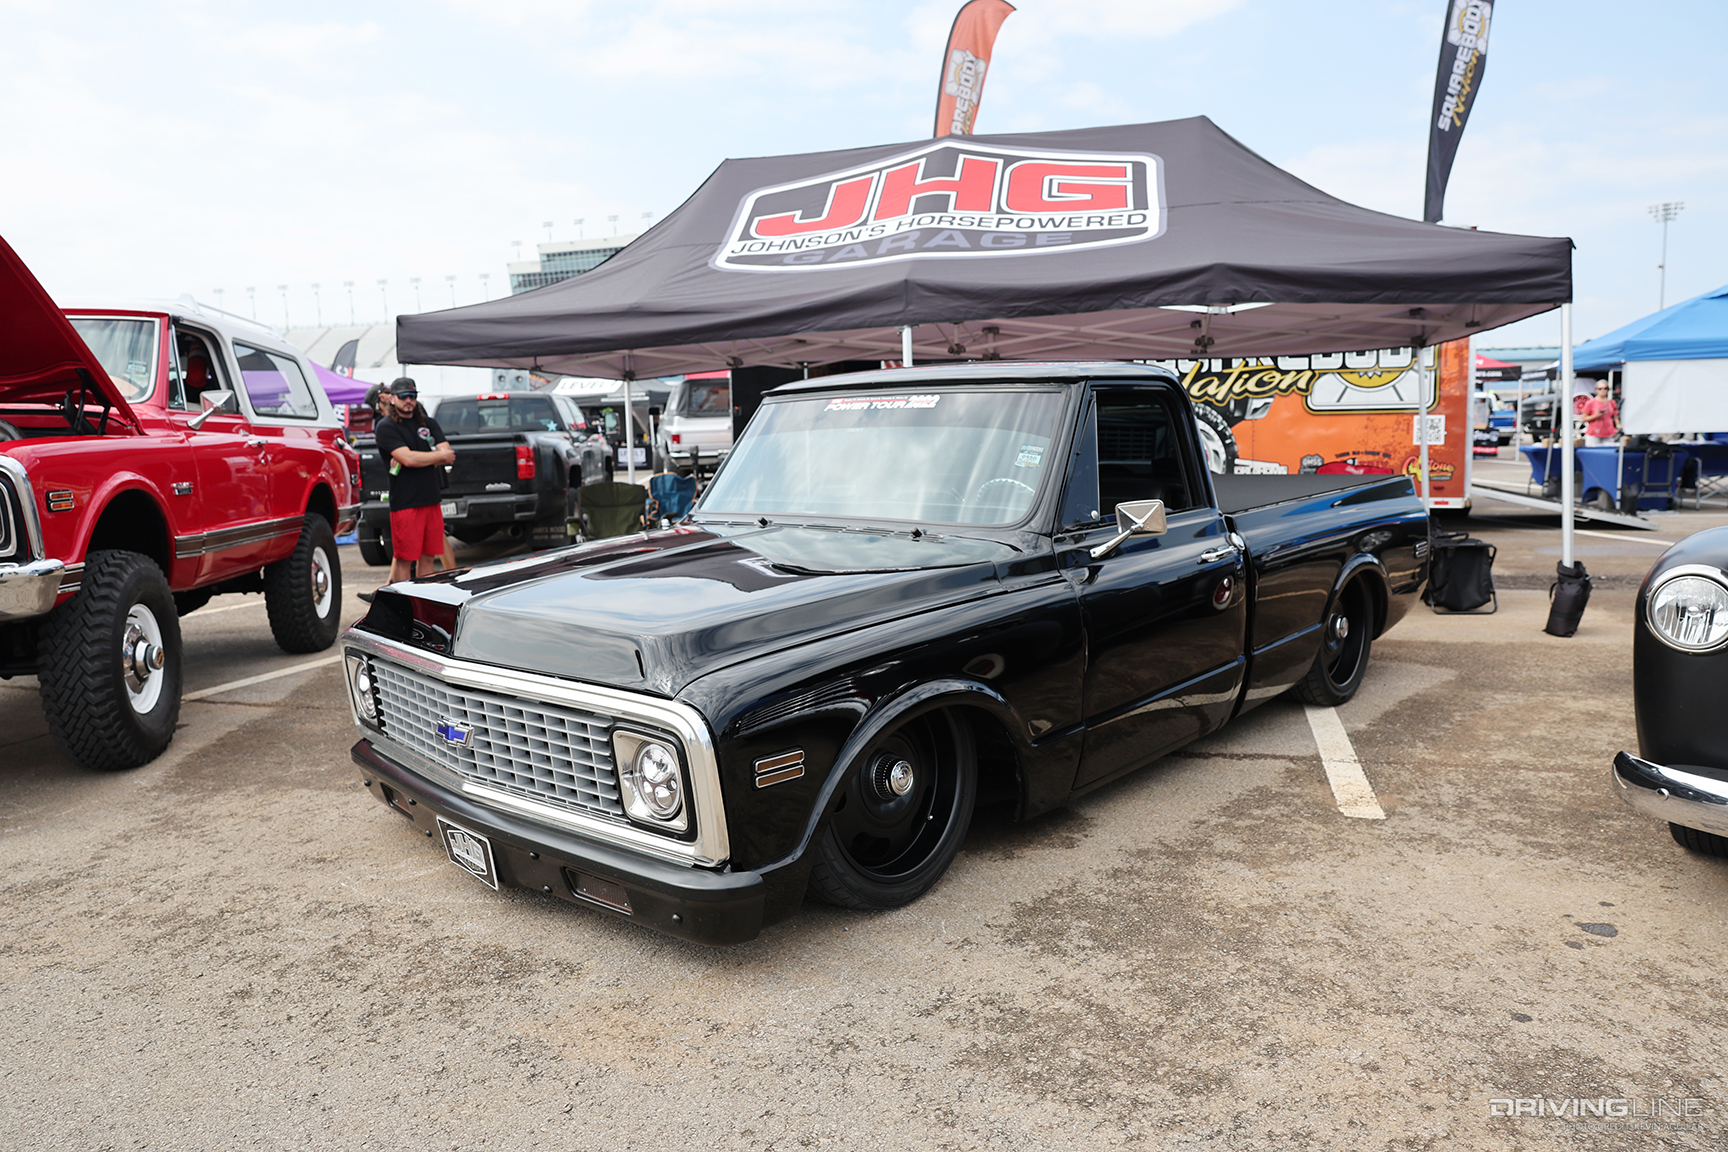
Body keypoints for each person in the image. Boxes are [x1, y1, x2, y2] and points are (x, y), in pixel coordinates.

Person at [374, 378, 455, 582]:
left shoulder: (428, 423)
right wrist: (436, 456)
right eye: (403, 396)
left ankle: (423, 602)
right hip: (406, 502)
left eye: (412, 396)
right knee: (405, 559)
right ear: (392, 399)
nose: (408, 400)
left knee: (429, 556)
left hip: (431, 499)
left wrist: (419, 457)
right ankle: (404, 605)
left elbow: (448, 453)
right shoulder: (386, 427)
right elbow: (409, 460)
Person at [1582, 381, 1620, 446]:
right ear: (1596, 390)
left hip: (1609, 434)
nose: (1603, 390)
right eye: (1600, 389)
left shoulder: (1611, 402)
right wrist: (1596, 416)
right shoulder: (1591, 403)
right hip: (1594, 434)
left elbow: (1615, 417)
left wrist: (1619, 427)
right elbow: (1583, 419)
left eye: (1605, 388)